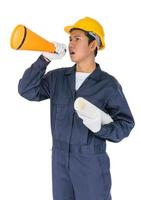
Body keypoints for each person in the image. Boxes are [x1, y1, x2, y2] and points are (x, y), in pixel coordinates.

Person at [18, 17, 135, 200]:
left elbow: (126, 124)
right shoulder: (57, 78)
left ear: (92, 45)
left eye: (77, 39)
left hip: (90, 164)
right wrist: (44, 58)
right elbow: (26, 90)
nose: (71, 44)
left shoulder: (108, 85)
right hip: (59, 162)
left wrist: (101, 128)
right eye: (70, 39)